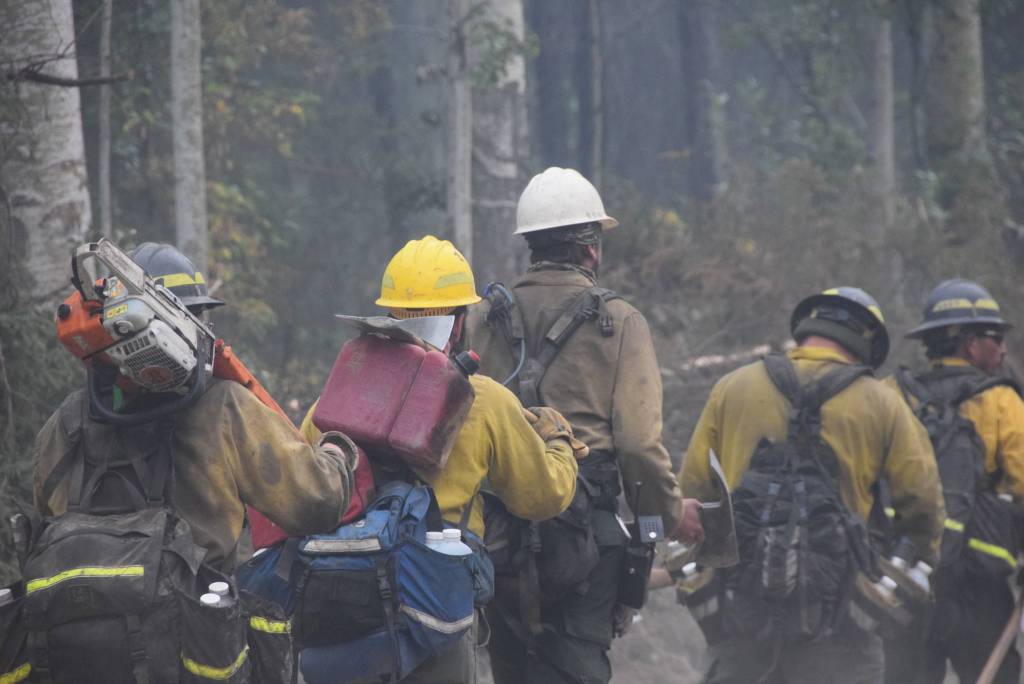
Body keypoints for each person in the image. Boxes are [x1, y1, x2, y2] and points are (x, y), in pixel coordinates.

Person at [26, 242, 355, 682]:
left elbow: (45, 519)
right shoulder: (223, 409)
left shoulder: (65, 424)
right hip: (193, 654)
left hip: (76, 658)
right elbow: (316, 502)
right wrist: (337, 453)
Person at [298, 234, 582, 684]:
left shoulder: (333, 400)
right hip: (435, 614)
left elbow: (299, 493)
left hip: (342, 616)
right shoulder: (483, 400)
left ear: (389, 314)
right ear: (458, 321)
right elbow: (542, 496)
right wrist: (559, 440)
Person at [465, 167, 702, 684]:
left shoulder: (482, 316)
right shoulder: (620, 322)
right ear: (591, 249)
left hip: (496, 529)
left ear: (530, 243)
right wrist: (666, 515)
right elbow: (639, 445)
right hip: (585, 538)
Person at [679, 286, 944, 684]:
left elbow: (692, 492)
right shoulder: (882, 402)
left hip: (740, 610)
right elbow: (922, 505)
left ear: (805, 327)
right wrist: (902, 571)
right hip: (841, 622)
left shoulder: (733, 387)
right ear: (868, 342)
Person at [885, 279, 1024, 684]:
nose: (1001, 348)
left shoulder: (893, 395)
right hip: (979, 585)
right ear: (968, 343)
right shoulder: (1002, 401)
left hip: (905, 577)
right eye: (994, 337)